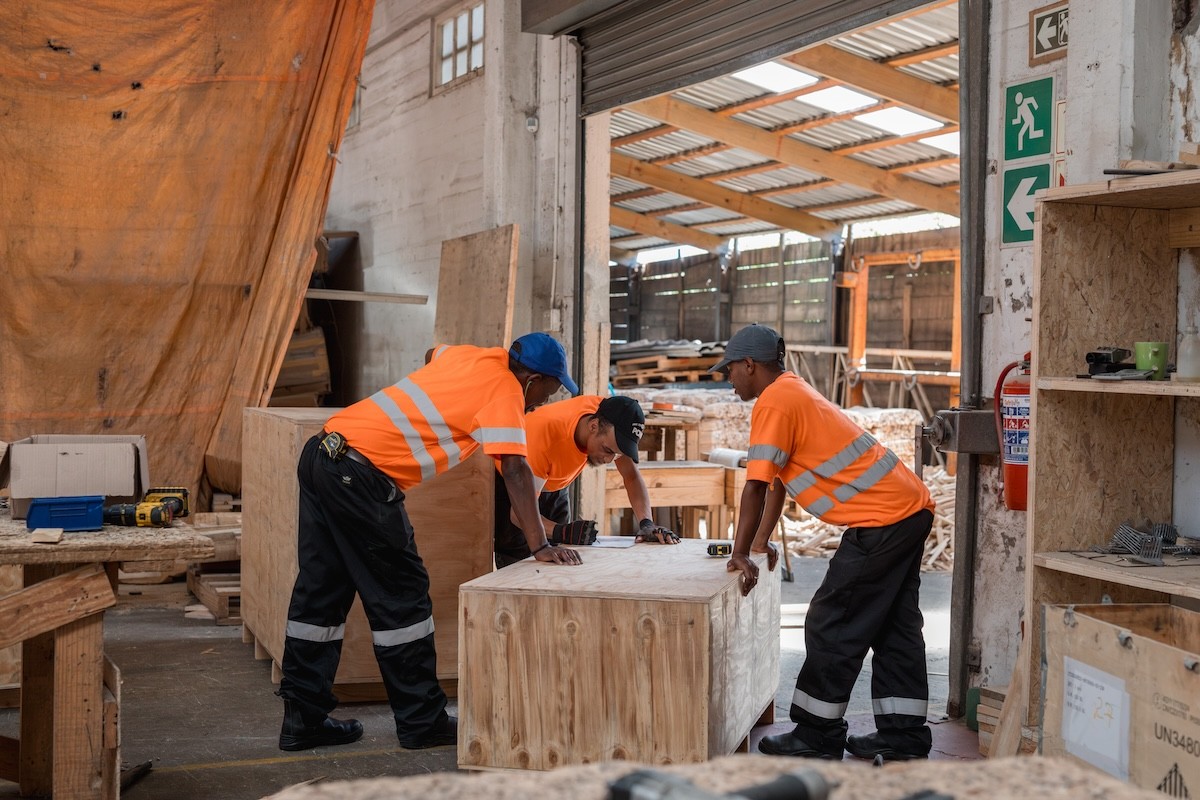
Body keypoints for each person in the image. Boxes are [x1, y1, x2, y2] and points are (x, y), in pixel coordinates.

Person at [277, 332, 583, 753]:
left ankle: (302, 719)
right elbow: (514, 470)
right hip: (360, 476)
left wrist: (442, 400)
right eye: (550, 389)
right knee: (402, 597)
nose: (547, 401)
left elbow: (430, 353)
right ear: (530, 379)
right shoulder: (506, 393)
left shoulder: (473, 357)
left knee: (321, 593)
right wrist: (540, 545)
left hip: (322, 455)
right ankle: (422, 721)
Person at [712, 324, 935, 762]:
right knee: (894, 627)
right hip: (909, 509)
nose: (729, 378)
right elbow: (775, 482)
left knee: (832, 620)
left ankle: (817, 734)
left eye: (731, 370)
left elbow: (756, 487)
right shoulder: (791, 391)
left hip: (882, 520)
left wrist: (739, 553)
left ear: (750, 365)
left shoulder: (774, 401)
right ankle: (903, 736)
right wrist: (759, 541)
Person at [493, 394, 680, 567]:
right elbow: (519, 515)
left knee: (561, 561)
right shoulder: (544, 438)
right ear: (593, 426)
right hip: (515, 485)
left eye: (616, 454)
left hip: (555, 480)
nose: (609, 460)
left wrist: (646, 524)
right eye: (607, 450)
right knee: (520, 568)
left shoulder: (611, 416)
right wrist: (562, 532)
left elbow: (631, 476)